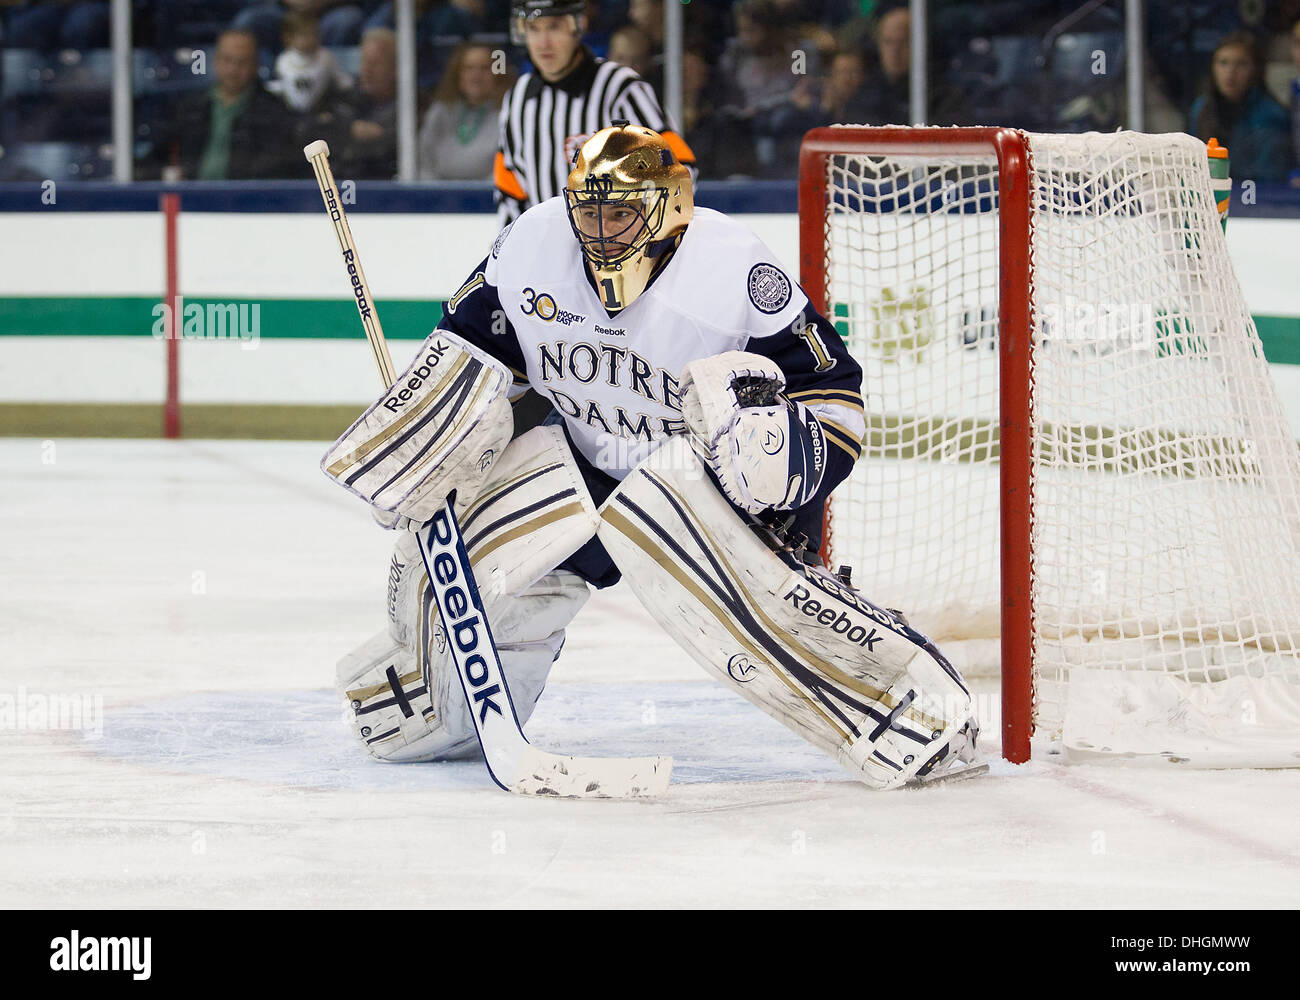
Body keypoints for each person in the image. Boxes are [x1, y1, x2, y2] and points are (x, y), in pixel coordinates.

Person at [328, 123, 982, 790]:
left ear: (668, 208)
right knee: (453, 566)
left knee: (761, 612)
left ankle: (913, 712)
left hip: (703, 484)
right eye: (589, 211)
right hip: (579, 465)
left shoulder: (735, 270)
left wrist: (778, 467)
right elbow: (473, 347)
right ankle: (438, 705)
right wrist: (432, 434)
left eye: (620, 213)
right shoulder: (531, 242)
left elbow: (833, 393)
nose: (600, 231)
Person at [494, 0, 696, 225]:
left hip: (618, 249)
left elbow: (679, 168)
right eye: (533, 28)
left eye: (554, 27)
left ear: (578, 26)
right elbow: (509, 188)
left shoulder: (620, 88)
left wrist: (645, 233)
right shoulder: (518, 97)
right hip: (549, 250)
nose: (543, 42)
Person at [146, 28, 295, 180]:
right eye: (227, 60)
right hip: (191, 198)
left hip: (247, 200)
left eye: (242, 62)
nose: (233, 70)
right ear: (215, 61)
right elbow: (155, 158)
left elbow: (276, 168)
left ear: (255, 65)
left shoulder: (274, 112)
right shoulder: (188, 108)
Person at [1189, 31, 1291, 184]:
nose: (1230, 72)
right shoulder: (1201, 108)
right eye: (1223, 63)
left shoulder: (1272, 116)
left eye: (1241, 64)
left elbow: (1269, 178)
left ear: (1255, 70)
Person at [418, 42, 513, 180]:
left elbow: (508, 164)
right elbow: (423, 159)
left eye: (484, 68)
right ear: (457, 74)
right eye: (469, 68)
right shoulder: (441, 111)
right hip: (437, 195)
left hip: (487, 195)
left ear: (497, 73)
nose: (476, 75)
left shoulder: (507, 113)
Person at [336, 27, 400, 179]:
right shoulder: (345, 97)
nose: (366, 70)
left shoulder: (411, 105)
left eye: (375, 63)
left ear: (396, 68)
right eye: (364, 62)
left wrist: (383, 137)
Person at [270, 11, 353, 114]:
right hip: (290, 112)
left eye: (315, 34)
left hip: (323, 109)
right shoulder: (283, 61)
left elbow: (341, 81)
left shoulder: (326, 57)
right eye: (305, 35)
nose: (311, 39)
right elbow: (282, 85)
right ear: (288, 38)